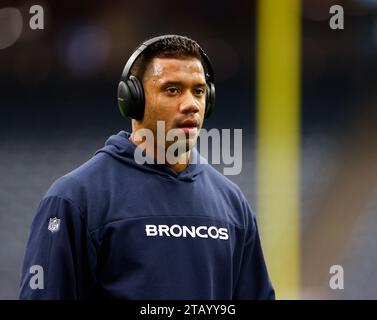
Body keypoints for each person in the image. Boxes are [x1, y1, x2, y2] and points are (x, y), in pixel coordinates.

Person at [19, 35, 275, 299]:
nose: (190, 104)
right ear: (133, 99)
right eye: (172, 90)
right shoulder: (75, 198)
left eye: (198, 91)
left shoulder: (232, 203)